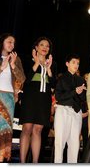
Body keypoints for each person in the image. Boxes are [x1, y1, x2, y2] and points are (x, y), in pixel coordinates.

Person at [20, 37, 57, 163]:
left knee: (38, 130)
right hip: (30, 98)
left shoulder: (52, 63)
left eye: (47, 46)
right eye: (42, 45)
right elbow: (25, 81)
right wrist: (36, 63)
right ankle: (22, 162)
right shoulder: (28, 61)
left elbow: (53, 85)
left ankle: (35, 163)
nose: (45, 47)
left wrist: (49, 70)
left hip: (44, 100)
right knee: (27, 128)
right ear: (36, 47)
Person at [54, 54, 85, 163]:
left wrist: (81, 93)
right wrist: (74, 92)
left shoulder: (80, 79)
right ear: (67, 64)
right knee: (60, 141)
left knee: (74, 143)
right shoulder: (61, 78)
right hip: (63, 110)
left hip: (76, 112)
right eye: (73, 62)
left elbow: (83, 99)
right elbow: (58, 96)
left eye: (78, 63)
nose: (76, 65)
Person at [0, 33, 26, 162]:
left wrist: (13, 65)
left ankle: (4, 158)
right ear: (2, 42)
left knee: (6, 129)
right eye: (9, 42)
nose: (12, 45)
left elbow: (22, 79)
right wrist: (2, 67)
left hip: (9, 98)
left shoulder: (16, 59)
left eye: (13, 43)